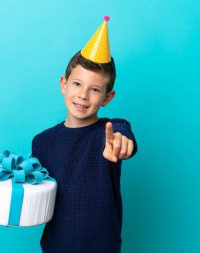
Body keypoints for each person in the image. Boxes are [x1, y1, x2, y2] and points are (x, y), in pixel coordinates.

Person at [32, 16, 138, 253]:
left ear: (107, 98)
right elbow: (36, 196)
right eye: (77, 84)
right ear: (64, 84)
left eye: (95, 89)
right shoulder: (42, 142)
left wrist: (122, 143)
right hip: (55, 247)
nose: (83, 95)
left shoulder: (111, 131)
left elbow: (123, 136)